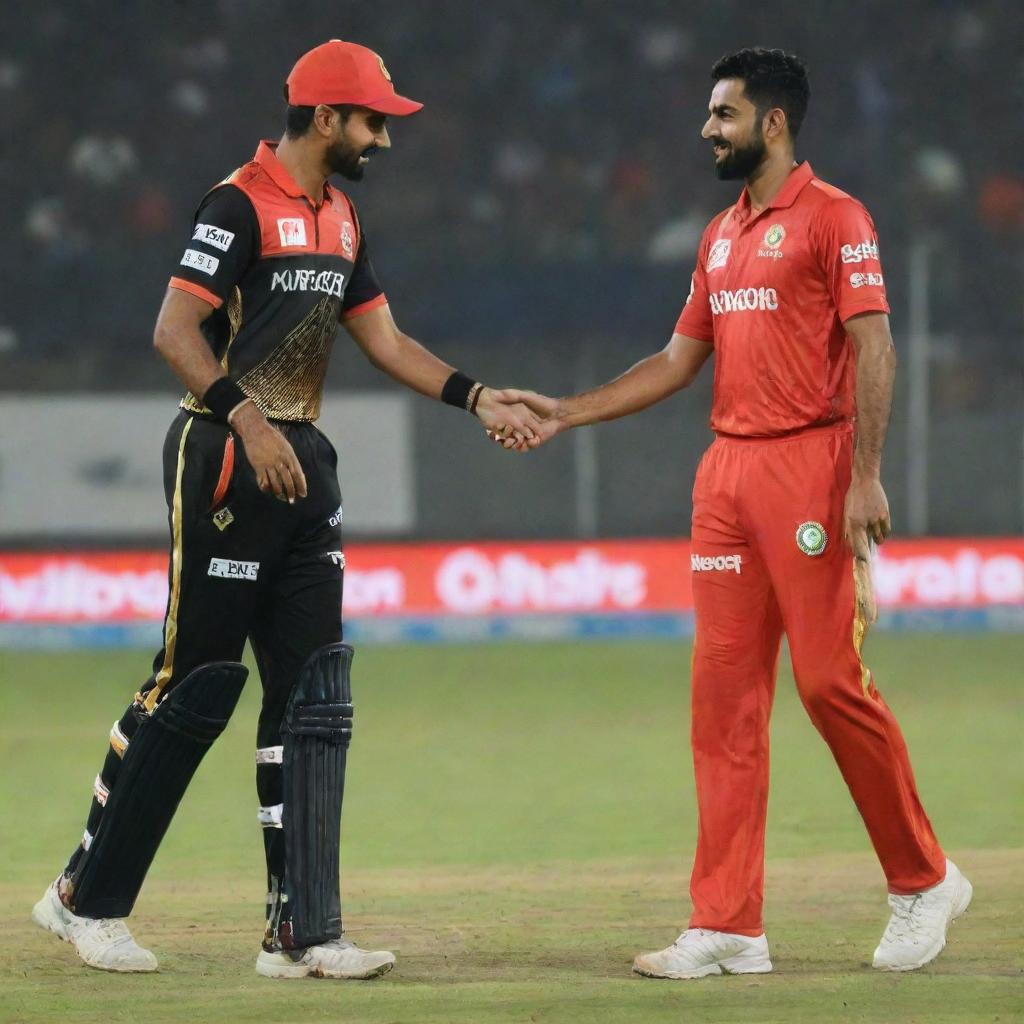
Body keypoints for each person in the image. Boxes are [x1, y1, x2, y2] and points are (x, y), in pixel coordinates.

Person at [32, 39, 541, 979]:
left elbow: (384, 341)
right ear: (323, 117)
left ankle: (302, 932)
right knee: (195, 688)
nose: (382, 138)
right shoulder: (236, 203)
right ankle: (87, 900)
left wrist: (477, 396)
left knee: (313, 697)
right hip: (224, 454)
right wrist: (250, 425)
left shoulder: (343, 217)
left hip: (303, 461)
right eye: (372, 120)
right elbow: (173, 331)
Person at [504, 48, 971, 978]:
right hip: (725, 478)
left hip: (812, 466)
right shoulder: (721, 233)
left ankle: (924, 882)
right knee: (723, 701)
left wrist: (865, 475)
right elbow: (678, 361)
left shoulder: (837, 219)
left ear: (774, 123)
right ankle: (728, 925)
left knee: (830, 684)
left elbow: (872, 344)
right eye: (709, 114)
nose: (707, 129)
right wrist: (567, 411)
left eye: (723, 114)